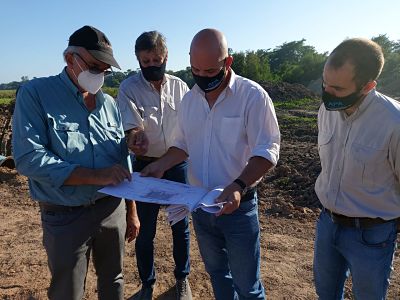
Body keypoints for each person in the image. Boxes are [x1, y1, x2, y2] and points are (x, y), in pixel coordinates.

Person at [141, 28, 280, 300]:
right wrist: (160, 165)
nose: (203, 78)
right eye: (196, 70)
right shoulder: (190, 100)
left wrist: (239, 185)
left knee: (248, 287)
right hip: (201, 207)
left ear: (227, 62)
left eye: (210, 71)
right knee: (218, 275)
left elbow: (268, 149)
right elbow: (182, 145)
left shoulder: (252, 97)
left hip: (238, 209)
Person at [12, 25, 140, 300]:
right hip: (65, 214)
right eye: (94, 66)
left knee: (114, 280)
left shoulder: (108, 104)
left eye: (105, 69)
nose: (99, 75)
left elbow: (120, 157)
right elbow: (28, 158)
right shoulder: (36, 94)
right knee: (67, 291)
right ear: (70, 59)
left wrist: (132, 210)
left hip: (111, 208)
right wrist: (96, 176)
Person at [314, 38, 400, 299]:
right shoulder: (326, 109)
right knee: (326, 294)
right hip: (328, 223)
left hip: (372, 235)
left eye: (337, 88)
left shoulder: (393, 122)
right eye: (325, 83)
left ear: (367, 86)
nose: (327, 92)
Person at [117, 31, 192, 300]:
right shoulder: (128, 88)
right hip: (145, 167)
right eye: (145, 61)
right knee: (145, 231)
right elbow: (131, 124)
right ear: (138, 60)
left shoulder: (180, 87)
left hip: (176, 164)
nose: (151, 65)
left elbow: (188, 126)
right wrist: (135, 136)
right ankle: (147, 284)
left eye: (156, 59)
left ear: (166, 57)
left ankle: (182, 279)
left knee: (180, 226)